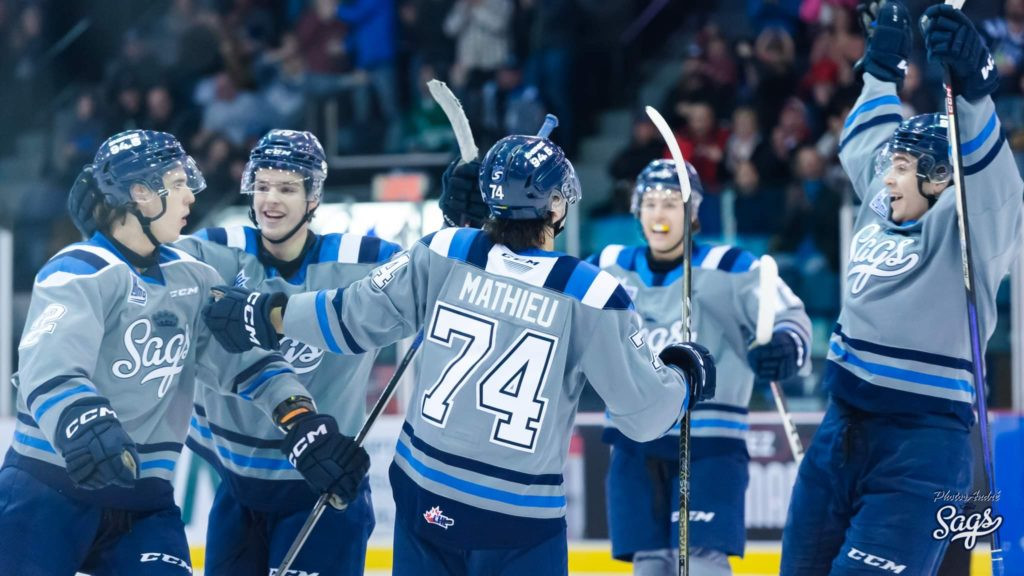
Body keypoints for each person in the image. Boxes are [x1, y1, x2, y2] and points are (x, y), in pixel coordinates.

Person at [202, 133, 717, 576]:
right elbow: (646, 417)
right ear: (556, 207)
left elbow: (346, 317)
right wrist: (684, 374)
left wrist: (265, 314)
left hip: (423, 497)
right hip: (519, 520)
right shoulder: (592, 294)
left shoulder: (445, 250)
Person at [0, 130, 369, 575]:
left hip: (144, 503)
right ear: (140, 193)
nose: (190, 196)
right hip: (48, 485)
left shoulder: (193, 277)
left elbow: (246, 363)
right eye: (177, 185)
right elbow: (49, 364)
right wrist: (81, 418)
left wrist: (302, 420)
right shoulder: (78, 270)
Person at [780, 2, 1023, 574]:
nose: (886, 175)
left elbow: (993, 186)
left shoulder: (966, 224)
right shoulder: (883, 194)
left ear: (940, 177)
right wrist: (882, 68)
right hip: (841, 425)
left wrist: (972, 94)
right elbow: (865, 141)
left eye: (903, 165)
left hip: (923, 446)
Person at [592, 159, 811, 576]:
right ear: (636, 209)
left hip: (710, 443)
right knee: (649, 564)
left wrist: (785, 346)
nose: (659, 214)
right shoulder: (608, 266)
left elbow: (791, 316)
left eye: (672, 203)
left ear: (693, 213)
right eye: (651, 202)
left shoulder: (733, 267)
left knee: (703, 563)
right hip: (634, 442)